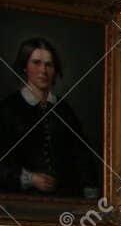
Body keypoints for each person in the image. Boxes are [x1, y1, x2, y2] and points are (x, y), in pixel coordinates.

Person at [0, 37, 98, 197]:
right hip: (20, 200)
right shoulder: (8, 108)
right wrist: (30, 179)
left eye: (48, 65)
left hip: (65, 199)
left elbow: (82, 155)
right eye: (36, 63)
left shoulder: (64, 110)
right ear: (25, 67)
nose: (43, 71)